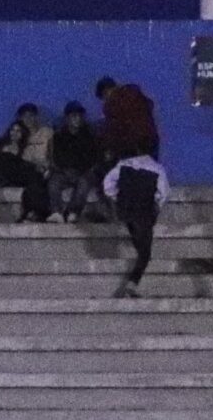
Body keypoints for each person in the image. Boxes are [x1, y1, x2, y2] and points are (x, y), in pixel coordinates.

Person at [106, 151, 168, 299]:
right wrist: (155, 208)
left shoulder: (123, 165)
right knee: (145, 253)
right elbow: (162, 194)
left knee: (137, 239)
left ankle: (131, 285)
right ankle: (131, 285)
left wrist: (118, 199)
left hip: (126, 211)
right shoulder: (157, 168)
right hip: (144, 213)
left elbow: (108, 185)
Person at [46, 102, 103, 223]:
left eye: (79, 116)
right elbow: (57, 157)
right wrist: (66, 170)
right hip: (64, 170)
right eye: (74, 116)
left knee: (84, 183)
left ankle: (73, 212)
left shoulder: (89, 136)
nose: (77, 119)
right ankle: (56, 212)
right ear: (67, 118)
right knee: (54, 182)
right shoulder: (59, 136)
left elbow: (92, 157)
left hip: (83, 171)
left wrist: (79, 169)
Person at [96, 75, 160, 161]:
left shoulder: (113, 104)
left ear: (106, 92)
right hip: (151, 142)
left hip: (132, 148)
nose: (105, 99)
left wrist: (108, 147)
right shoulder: (136, 95)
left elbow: (114, 129)